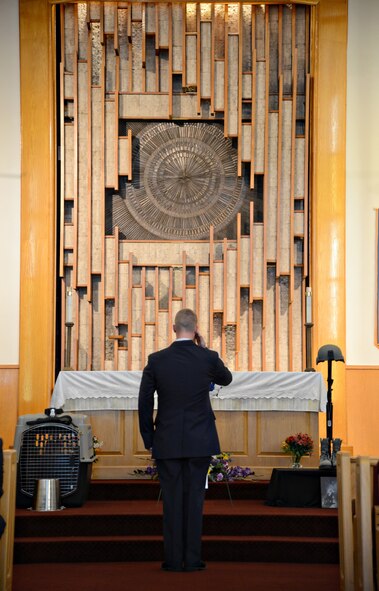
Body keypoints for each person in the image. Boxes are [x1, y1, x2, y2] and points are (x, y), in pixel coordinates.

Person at [138, 308, 233, 572]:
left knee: (171, 501)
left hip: (167, 440)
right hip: (200, 440)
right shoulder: (208, 358)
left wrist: (149, 437)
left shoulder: (157, 360)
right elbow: (226, 378)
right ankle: (192, 560)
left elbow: (144, 401)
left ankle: (171, 560)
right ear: (196, 328)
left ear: (173, 328)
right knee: (194, 502)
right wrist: (203, 347)